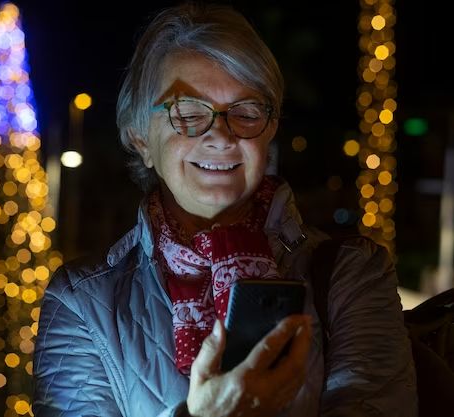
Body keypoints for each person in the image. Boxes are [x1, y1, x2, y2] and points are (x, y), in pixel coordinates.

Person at [32, 2, 417, 416]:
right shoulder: (82, 302)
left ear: (268, 131)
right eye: (187, 112)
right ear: (140, 138)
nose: (221, 135)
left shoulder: (350, 276)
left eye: (246, 111)